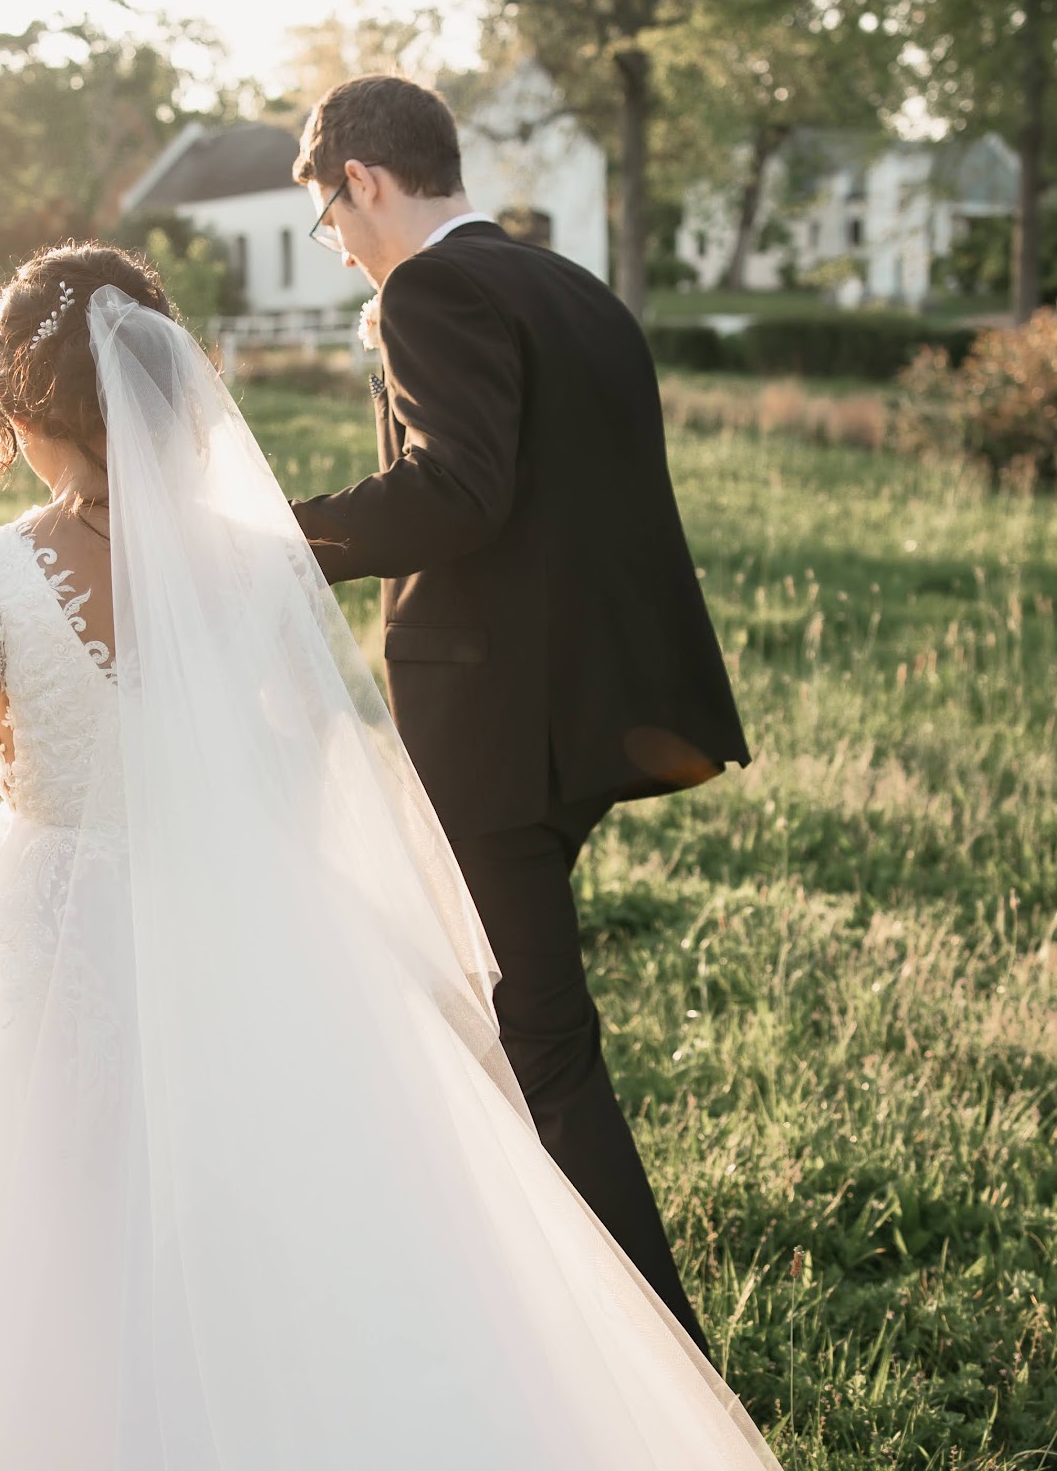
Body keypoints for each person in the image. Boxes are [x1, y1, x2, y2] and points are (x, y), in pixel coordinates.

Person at [0, 242, 777, 1470]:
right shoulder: (250, 560)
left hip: (52, 956)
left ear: (24, 408)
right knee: (255, 1244)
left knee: (58, 1258)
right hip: (242, 934)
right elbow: (294, 759)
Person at [291, 75, 751, 1347]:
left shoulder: (426, 292)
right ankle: (497, 1291)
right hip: (591, 713)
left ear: (364, 181)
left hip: (491, 727)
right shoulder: (572, 288)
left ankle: (657, 1361)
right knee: (486, 1013)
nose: (337, 244)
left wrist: (282, 539)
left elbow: (457, 491)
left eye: (330, 216)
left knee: (539, 1041)